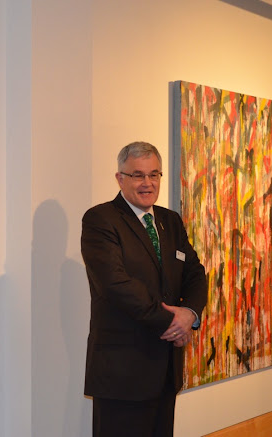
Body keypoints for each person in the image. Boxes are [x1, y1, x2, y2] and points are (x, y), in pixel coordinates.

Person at [81, 141, 207, 437]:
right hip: (122, 372)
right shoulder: (101, 220)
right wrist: (172, 322)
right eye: (137, 175)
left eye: (154, 174)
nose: (147, 183)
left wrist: (190, 313)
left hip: (165, 369)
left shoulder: (170, 221)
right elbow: (116, 285)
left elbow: (195, 273)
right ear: (120, 178)